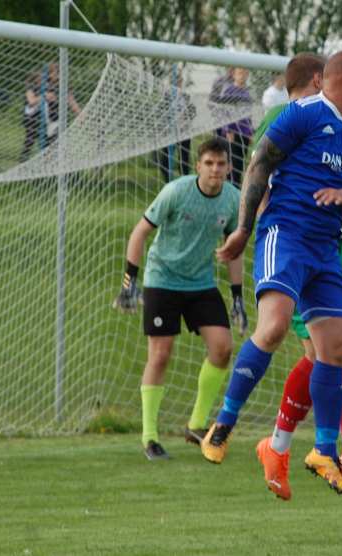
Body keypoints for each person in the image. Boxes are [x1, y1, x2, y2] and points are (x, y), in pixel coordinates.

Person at [200, 51, 342, 499]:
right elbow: (259, 164)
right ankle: (225, 419)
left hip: (326, 248)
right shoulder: (300, 114)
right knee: (275, 325)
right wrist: (244, 228)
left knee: (334, 350)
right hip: (287, 233)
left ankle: (323, 450)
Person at [248, 53, 342, 501]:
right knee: (319, 351)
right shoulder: (287, 116)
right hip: (294, 250)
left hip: (333, 250)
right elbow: (261, 174)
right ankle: (281, 445)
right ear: (317, 79)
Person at [112, 137, 248, 460]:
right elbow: (139, 233)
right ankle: (149, 437)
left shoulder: (233, 200)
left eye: (221, 164)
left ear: (229, 167)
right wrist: (128, 283)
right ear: (198, 165)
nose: (215, 169)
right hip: (162, 280)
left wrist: (238, 297)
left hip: (200, 282)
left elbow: (234, 249)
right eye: (209, 163)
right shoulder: (176, 191)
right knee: (160, 354)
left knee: (223, 348)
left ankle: (197, 425)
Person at [221, 68, 254, 185]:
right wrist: (228, 130)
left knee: (240, 163)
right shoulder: (229, 91)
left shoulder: (246, 93)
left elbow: (248, 115)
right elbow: (225, 112)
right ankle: (229, 186)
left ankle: (236, 188)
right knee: (231, 163)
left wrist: (250, 133)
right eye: (240, 73)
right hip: (233, 133)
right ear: (234, 75)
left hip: (244, 134)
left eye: (245, 73)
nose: (243, 76)